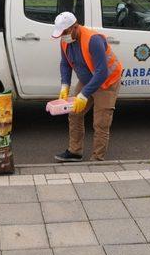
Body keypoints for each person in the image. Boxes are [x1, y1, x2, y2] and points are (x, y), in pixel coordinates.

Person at [51, 12, 123, 162]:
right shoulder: (65, 41)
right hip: (87, 80)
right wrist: (65, 86)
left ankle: (97, 159)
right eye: (60, 34)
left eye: (65, 32)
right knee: (74, 114)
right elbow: (65, 64)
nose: (63, 36)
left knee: (100, 123)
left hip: (106, 83)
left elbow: (102, 72)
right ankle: (75, 152)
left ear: (75, 27)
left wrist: (83, 95)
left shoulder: (93, 40)